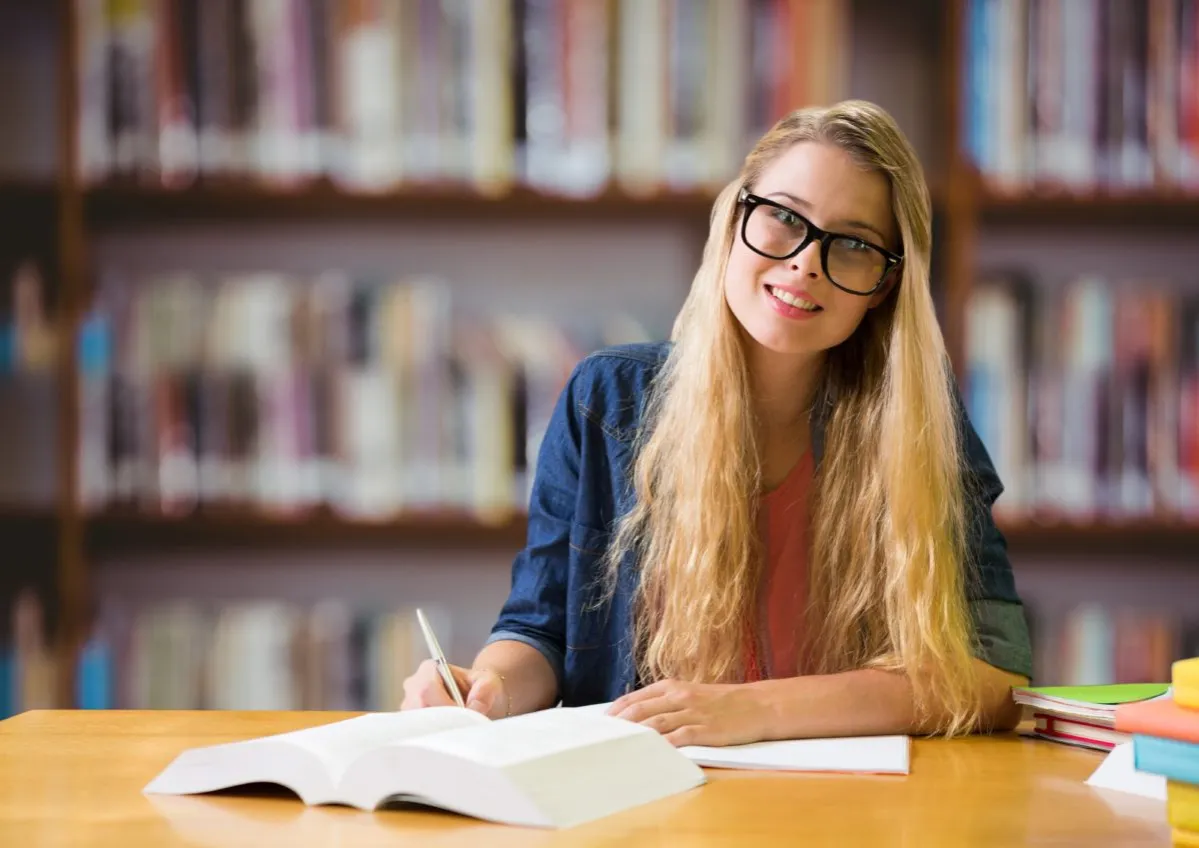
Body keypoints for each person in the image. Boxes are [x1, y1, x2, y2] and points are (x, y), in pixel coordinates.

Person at [401, 100, 1032, 746]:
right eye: (784, 219)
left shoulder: (917, 428)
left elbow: (995, 673)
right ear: (735, 220)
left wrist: (755, 711)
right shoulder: (608, 402)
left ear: (885, 286)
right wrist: (491, 690)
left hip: (847, 812)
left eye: (851, 245)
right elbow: (540, 633)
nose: (805, 263)